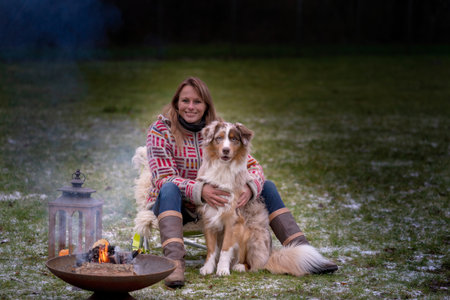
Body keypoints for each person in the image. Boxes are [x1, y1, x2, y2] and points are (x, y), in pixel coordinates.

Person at [145, 77, 337, 288]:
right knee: (170, 188)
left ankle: (304, 252)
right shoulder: (160, 131)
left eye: (197, 102)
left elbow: (254, 166)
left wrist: (249, 186)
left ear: (206, 105)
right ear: (176, 103)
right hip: (176, 205)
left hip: (217, 205)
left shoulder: (220, 130)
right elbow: (163, 178)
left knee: (267, 186)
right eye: (185, 101)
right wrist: (200, 190)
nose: (191, 107)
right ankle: (174, 265)